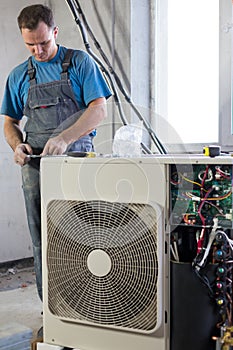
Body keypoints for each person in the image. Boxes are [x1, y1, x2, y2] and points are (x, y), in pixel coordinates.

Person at [0, 4, 112, 302]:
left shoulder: (79, 63)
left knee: (84, 236)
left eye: (44, 42)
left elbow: (98, 110)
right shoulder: (18, 76)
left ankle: (92, 304)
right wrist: (17, 145)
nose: (38, 50)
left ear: (55, 32)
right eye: (30, 44)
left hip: (77, 165)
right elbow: (10, 122)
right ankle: (51, 309)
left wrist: (65, 137)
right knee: (43, 240)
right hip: (36, 169)